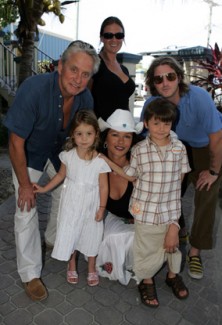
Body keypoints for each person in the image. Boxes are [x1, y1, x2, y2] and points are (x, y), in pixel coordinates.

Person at [3, 40, 100, 301]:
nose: (78, 79)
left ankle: (54, 238)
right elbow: (15, 142)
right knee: (26, 208)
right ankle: (30, 273)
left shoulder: (85, 98)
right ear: (60, 66)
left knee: (66, 195)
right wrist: (24, 185)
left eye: (85, 74)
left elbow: (85, 138)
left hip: (60, 155)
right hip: (29, 153)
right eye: (73, 70)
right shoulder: (33, 89)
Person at [101, 99, 190, 307]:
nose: (161, 129)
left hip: (169, 210)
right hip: (145, 213)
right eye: (156, 123)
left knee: (172, 247)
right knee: (146, 248)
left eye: (166, 124)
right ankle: (146, 280)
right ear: (147, 124)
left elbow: (178, 186)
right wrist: (106, 161)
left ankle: (172, 276)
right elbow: (130, 176)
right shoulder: (139, 150)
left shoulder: (179, 149)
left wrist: (174, 223)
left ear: (172, 124)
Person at [141, 56, 222, 280]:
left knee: (207, 195)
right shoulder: (152, 105)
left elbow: (217, 139)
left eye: (170, 76)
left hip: (207, 146)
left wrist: (214, 172)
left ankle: (195, 251)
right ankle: (180, 230)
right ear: (152, 83)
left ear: (179, 77)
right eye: (158, 79)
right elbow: (147, 140)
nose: (165, 82)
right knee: (170, 191)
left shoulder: (199, 98)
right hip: (176, 148)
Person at [33, 110, 111, 287]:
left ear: (96, 134)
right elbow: (60, 176)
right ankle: (72, 263)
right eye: (79, 134)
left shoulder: (100, 160)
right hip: (71, 203)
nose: (84, 138)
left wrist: (102, 207)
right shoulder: (68, 156)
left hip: (92, 203)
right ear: (73, 135)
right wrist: (44, 188)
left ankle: (91, 267)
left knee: (92, 234)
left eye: (89, 134)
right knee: (71, 232)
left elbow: (104, 186)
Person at [96, 109, 143, 285]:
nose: (121, 142)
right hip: (109, 219)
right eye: (115, 135)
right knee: (110, 236)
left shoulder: (140, 163)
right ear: (106, 138)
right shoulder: (95, 163)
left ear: (132, 141)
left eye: (127, 136)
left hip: (138, 221)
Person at [89, 16, 135, 120]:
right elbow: (84, 101)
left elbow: (124, 103)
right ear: (101, 38)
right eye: (109, 35)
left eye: (119, 35)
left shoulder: (124, 69)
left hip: (123, 130)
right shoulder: (94, 64)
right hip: (102, 130)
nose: (114, 39)